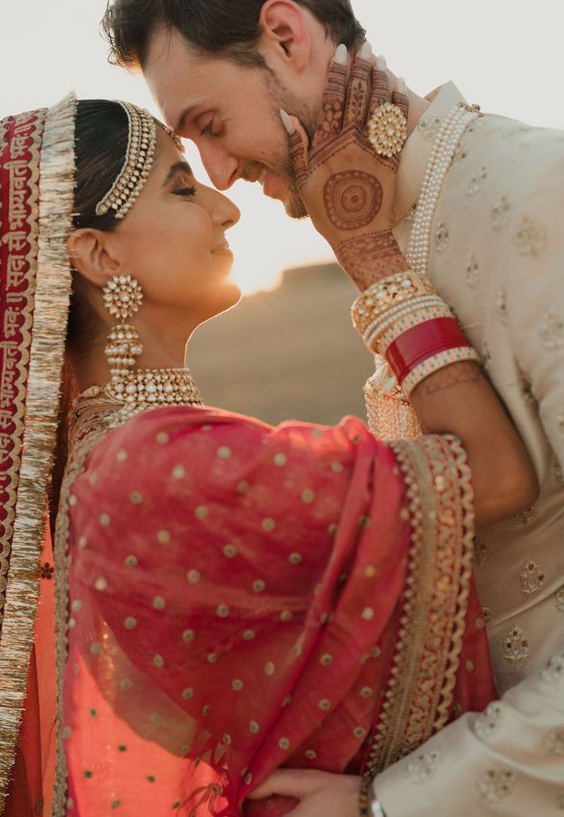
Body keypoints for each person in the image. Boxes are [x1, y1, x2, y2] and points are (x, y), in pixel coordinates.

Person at [0, 61, 537, 815]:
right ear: (99, 255)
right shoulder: (148, 466)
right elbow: (493, 474)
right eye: (183, 187)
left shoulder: (116, 464)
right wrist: (373, 256)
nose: (227, 210)